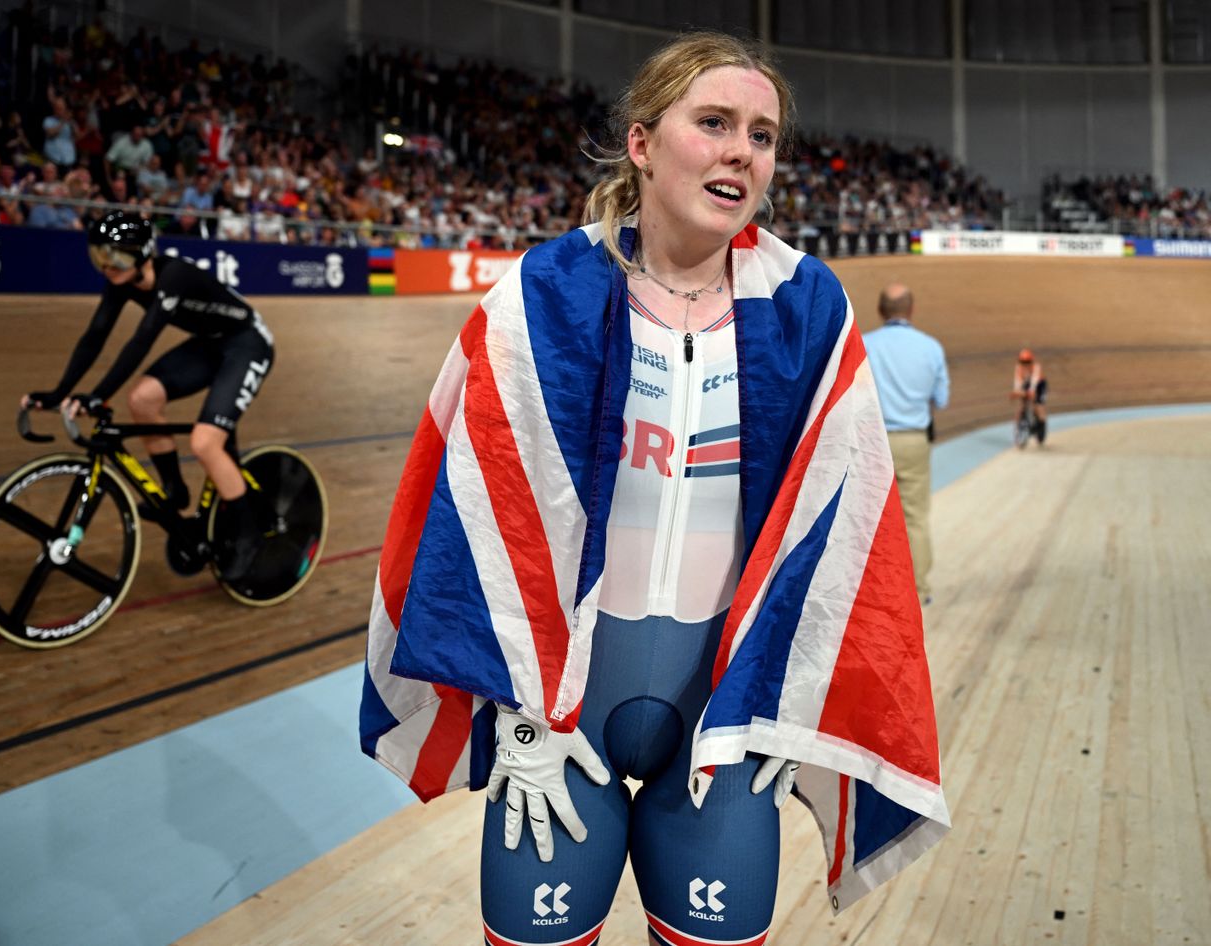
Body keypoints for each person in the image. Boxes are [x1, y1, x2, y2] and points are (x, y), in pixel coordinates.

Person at [360, 31, 949, 946]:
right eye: (713, 123)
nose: (740, 151)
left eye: (761, 134)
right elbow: (473, 514)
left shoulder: (806, 305)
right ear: (642, 142)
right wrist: (516, 705)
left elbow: (843, 536)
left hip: (719, 720)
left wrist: (780, 696)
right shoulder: (539, 294)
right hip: (560, 720)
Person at [20, 210, 274, 580]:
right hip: (210, 344)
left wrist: (98, 395)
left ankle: (249, 533)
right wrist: (61, 393)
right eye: (101, 257)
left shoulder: (173, 277)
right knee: (141, 400)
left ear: (143, 254)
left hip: (247, 344)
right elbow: (95, 337)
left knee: (205, 443)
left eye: (118, 255)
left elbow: (141, 342)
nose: (108, 266)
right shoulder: (120, 281)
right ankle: (173, 490)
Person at [862, 283, 950, 605]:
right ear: (910, 311)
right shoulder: (931, 347)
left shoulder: (865, 344)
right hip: (913, 440)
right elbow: (941, 399)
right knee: (915, 517)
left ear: (881, 311)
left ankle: (870, 591)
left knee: (870, 517)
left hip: (872, 440)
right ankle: (917, 590)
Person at [1011, 347, 1048, 444]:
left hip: (1040, 384)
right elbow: (1017, 382)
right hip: (1027, 383)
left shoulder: (1036, 367)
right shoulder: (1018, 368)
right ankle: (1017, 427)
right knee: (1021, 404)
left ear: (1031, 361)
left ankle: (1041, 424)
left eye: (1027, 362)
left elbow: (1035, 381)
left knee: (1038, 405)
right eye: (1023, 362)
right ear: (1020, 362)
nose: (1025, 364)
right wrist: (1017, 392)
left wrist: (1031, 392)